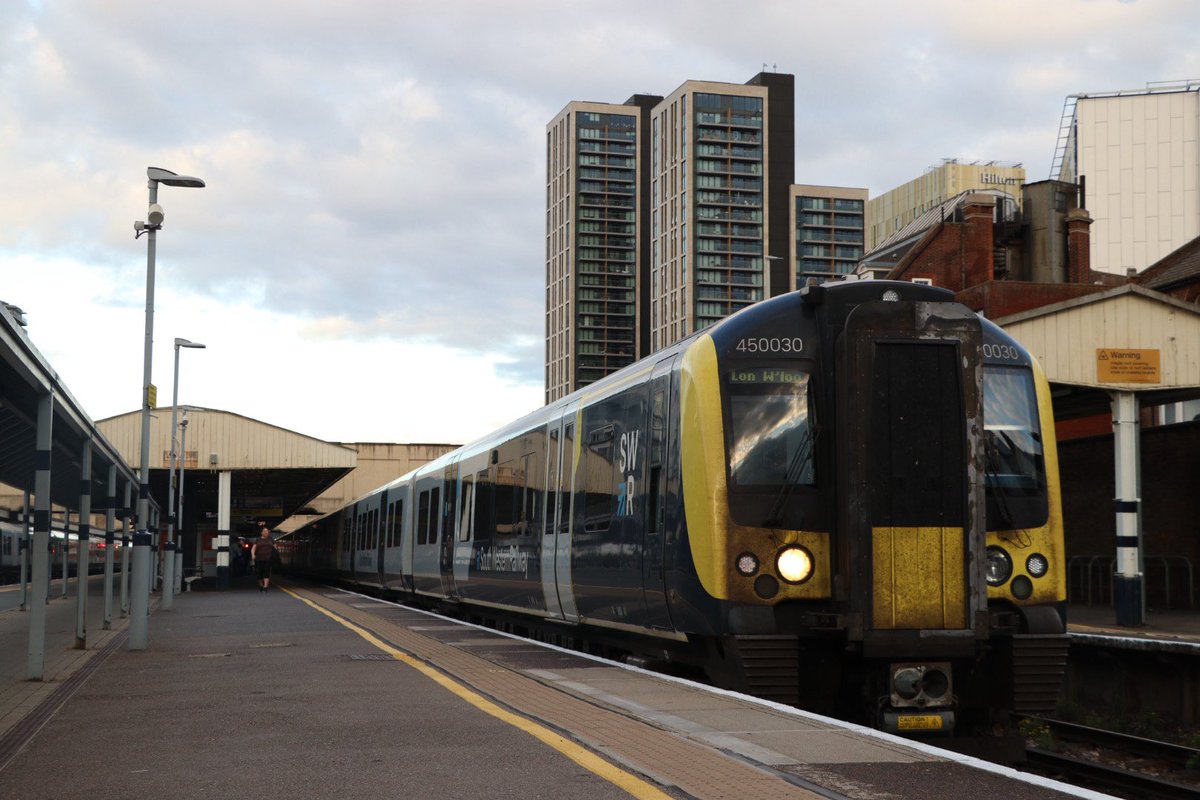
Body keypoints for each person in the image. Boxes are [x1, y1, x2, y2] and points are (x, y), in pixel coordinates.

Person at [251, 526, 276, 593]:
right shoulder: (258, 540)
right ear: (261, 533)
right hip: (259, 559)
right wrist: (253, 555)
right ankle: (261, 585)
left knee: (267, 572)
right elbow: (253, 549)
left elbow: (275, 548)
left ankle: (265, 587)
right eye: (264, 531)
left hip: (268, 558)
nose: (266, 532)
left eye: (267, 531)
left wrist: (275, 554)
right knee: (260, 573)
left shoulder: (271, 539)